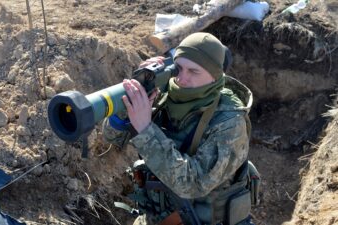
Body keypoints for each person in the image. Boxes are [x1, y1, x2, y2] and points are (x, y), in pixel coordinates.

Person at [102, 32, 257, 225]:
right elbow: (113, 138)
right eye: (179, 68)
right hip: (157, 218)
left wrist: (145, 130)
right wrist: (129, 103)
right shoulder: (163, 95)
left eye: (194, 71)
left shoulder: (230, 121)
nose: (182, 79)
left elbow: (194, 183)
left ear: (215, 75)